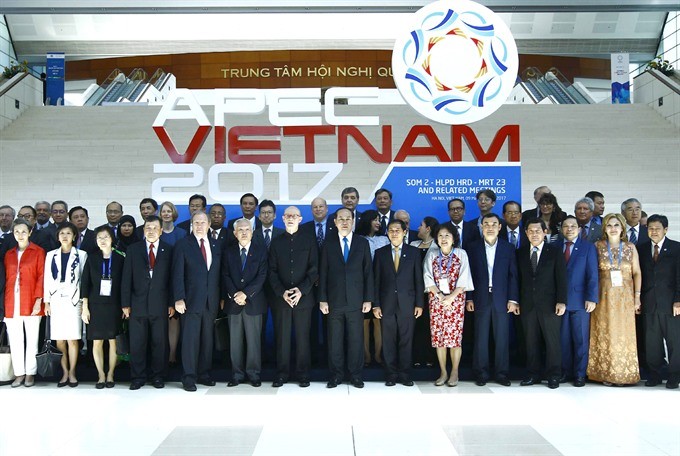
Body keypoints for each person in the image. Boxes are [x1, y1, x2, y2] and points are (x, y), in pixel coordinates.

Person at [320, 208, 374, 388]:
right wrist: (323, 299)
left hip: (356, 302)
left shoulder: (362, 243)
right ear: (334, 222)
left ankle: (356, 375)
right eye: (340, 219)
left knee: (356, 340)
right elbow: (323, 273)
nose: (344, 222)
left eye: (348, 219)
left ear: (353, 221)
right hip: (333, 302)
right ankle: (336, 375)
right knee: (334, 341)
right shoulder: (328, 244)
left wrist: (368, 299)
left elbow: (368, 273)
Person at [586, 213, 642, 386]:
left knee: (623, 334)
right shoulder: (597, 246)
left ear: (622, 228)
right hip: (603, 297)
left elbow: (637, 272)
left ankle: (623, 374)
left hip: (625, 298)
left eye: (616, 225)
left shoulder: (630, 247)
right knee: (604, 332)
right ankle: (605, 373)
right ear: (604, 228)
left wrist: (637, 297)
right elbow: (591, 272)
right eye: (609, 225)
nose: (613, 228)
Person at [121, 215, 175, 390]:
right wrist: (125, 303)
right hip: (137, 304)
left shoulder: (169, 249)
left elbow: (172, 279)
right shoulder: (133, 249)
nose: (151, 231)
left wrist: (171, 302)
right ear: (143, 230)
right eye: (148, 228)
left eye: (154, 228)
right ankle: (138, 377)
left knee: (159, 343)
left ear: (161, 231)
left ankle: (158, 376)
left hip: (160, 304)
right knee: (137, 343)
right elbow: (126, 278)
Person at [465, 213, 519, 387]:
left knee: (502, 337)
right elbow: (468, 275)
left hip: (502, 299)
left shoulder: (508, 248)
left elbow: (513, 276)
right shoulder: (472, 247)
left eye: (493, 224)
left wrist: (513, 299)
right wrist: (469, 298)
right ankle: (481, 373)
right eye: (486, 224)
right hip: (480, 297)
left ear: (500, 227)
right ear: (481, 226)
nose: (489, 227)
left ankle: (501, 373)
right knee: (480, 337)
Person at [268, 206, 318, 387]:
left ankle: (303, 374)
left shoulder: (309, 241)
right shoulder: (276, 242)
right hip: (281, 299)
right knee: (282, 338)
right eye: (288, 215)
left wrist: (300, 290)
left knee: (303, 338)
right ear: (282, 218)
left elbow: (314, 270)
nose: (291, 218)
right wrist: (282, 292)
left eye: (294, 216)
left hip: (303, 299)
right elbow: (271, 271)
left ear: (300, 219)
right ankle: (282, 374)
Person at [172, 212, 222, 391]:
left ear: (209, 224)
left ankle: (204, 374)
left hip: (211, 301)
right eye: (196, 222)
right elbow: (177, 274)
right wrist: (179, 298)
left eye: (203, 222)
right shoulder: (183, 245)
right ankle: (189, 377)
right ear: (191, 224)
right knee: (190, 341)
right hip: (190, 301)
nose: (199, 225)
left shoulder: (216, 245)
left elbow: (218, 274)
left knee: (207, 340)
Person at [372, 219, 424, 386]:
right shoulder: (380, 253)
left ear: (404, 232)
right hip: (386, 304)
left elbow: (418, 280)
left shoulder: (414, 253)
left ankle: (405, 374)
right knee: (388, 341)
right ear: (387, 233)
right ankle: (391, 374)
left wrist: (419, 304)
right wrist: (376, 304)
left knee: (406, 340)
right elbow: (376, 281)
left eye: (397, 230)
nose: (394, 233)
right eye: (391, 230)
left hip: (408, 304)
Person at [517, 218, 567, 389]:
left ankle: (554, 375)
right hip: (527, 304)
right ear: (526, 233)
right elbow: (518, 280)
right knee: (531, 341)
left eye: (538, 231)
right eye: (530, 231)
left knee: (552, 342)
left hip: (550, 304)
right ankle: (533, 374)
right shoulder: (521, 252)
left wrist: (561, 301)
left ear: (545, 232)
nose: (534, 234)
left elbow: (561, 278)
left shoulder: (554, 251)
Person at [423, 223, 473, 387]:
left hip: (456, 302)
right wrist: (439, 296)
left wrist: (451, 297)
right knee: (439, 339)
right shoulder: (432, 255)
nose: (443, 239)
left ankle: (455, 372)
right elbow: (427, 278)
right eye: (441, 236)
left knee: (454, 339)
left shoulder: (461, 254)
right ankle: (443, 371)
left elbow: (464, 278)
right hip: (436, 302)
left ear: (453, 238)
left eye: (447, 235)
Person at [222, 219, 268, 387]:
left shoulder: (261, 251)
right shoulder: (228, 252)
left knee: (254, 341)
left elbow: (262, 275)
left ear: (252, 231)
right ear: (234, 233)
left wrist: (246, 294)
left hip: (253, 302)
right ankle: (237, 374)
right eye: (240, 230)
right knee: (235, 342)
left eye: (246, 229)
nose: (243, 232)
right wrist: (236, 294)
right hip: (234, 303)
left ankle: (254, 374)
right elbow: (225, 275)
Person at [1, 219, 45, 388]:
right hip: (12, 302)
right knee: (15, 340)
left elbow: (41, 277)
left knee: (32, 340)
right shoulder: (9, 254)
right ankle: (18, 373)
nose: (20, 235)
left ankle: (30, 374)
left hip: (31, 301)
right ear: (13, 233)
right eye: (17, 232)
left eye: (23, 231)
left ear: (30, 232)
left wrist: (38, 300)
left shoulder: (38, 252)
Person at [43, 222, 88, 387]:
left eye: (68, 233)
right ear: (58, 236)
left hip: (73, 300)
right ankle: (64, 373)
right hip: (56, 301)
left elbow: (84, 280)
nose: (65, 236)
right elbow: (47, 279)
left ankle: (73, 372)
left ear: (74, 236)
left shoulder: (81, 254)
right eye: (62, 233)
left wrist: (83, 301)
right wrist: (46, 301)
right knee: (60, 340)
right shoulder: (50, 255)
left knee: (73, 339)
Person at [638, 214, 680, 389]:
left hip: (671, 303)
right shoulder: (641, 248)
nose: (653, 231)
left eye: (657, 228)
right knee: (652, 342)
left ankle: (674, 376)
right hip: (649, 303)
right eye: (650, 228)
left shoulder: (676, 248)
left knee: (674, 342)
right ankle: (654, 374)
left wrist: (678, 300)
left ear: (666, 230)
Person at [80, 226, 124, 389]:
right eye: (99, 238)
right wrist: (85, 307)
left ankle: (111, 374)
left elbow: (124, 284)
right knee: (97, 342)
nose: (103, 240)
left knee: (113, 341)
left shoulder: (120, 258)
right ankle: (100, 375)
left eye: (106, 237)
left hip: (114, 305)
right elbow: (85, 283)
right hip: (95, 305)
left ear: (112, 239)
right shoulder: (91, 258)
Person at [558, 216, 598, 387]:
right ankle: (565, 372)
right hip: (560, 302)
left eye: (573, 226)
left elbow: (592, 275)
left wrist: (592, 297)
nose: (569, 229)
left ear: (579, 229)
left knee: (581, 339)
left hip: (581, 301)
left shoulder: (587, 248)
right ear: (561, 229)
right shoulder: (554, 247)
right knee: (563, 340)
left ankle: (580, 374)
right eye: (566, 226)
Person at [356, 209, 388, 366]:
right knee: (364, 322)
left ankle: (378, 355)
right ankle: (366, 355)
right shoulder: (358, 239)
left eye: (379, 220)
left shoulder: (385, 239)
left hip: (381, 285)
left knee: (378, 321)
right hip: (362, 286)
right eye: (375, 219)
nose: (378, 222)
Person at [410, 216, 438, 367]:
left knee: (430, 325)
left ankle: (430, 358)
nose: (418, 228)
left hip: (431, 292)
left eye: (421, 225)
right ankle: (416, 357)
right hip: (413, 292)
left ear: (428, 228)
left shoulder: (438, 246)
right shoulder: (413, 244)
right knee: (415, 326)